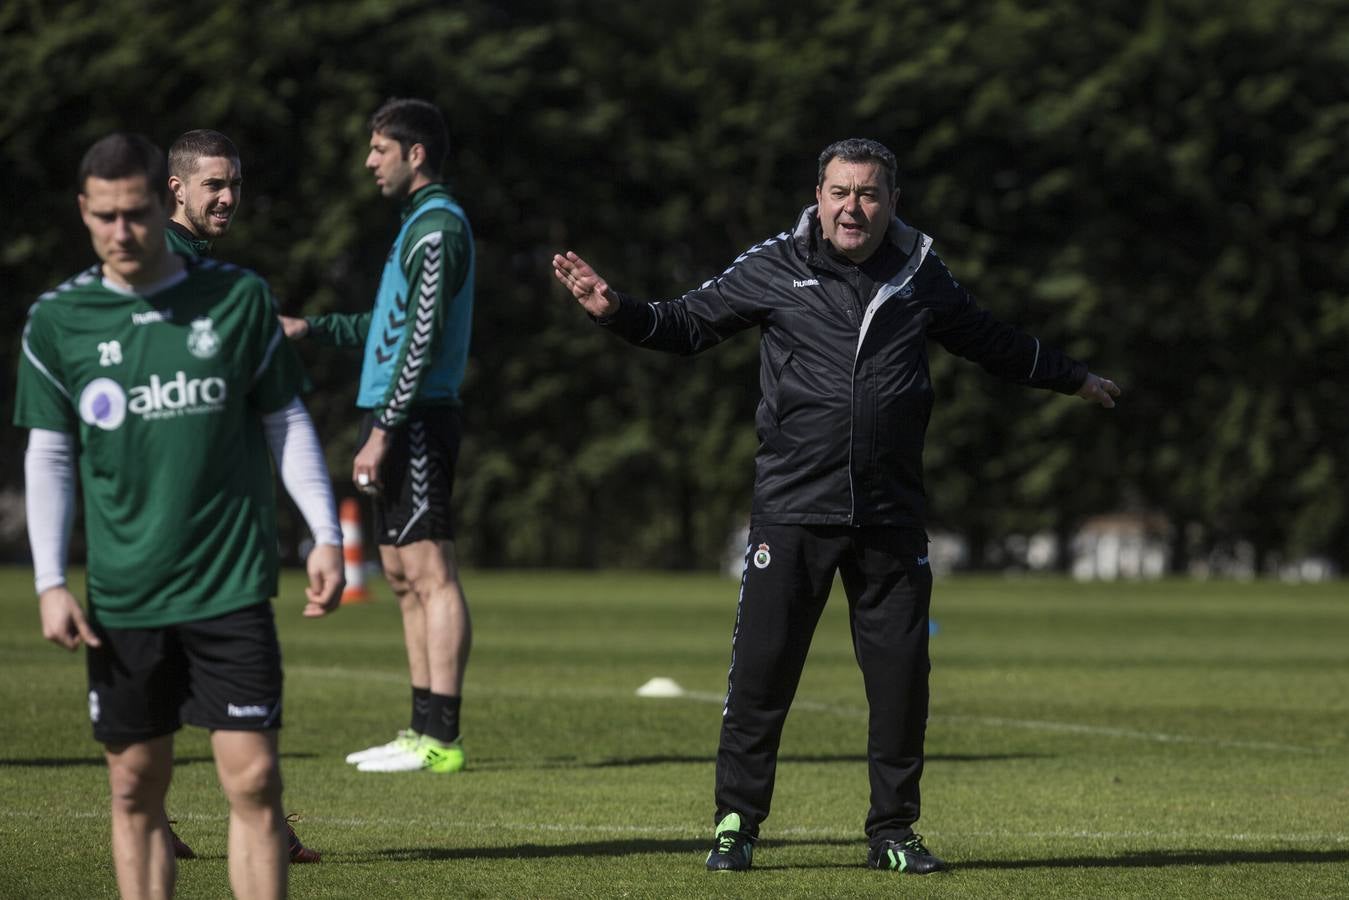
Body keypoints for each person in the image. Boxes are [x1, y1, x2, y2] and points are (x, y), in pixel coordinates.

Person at [552, 138, 1121, 875]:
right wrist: (615, 310)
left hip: (889, 516)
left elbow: (991, 341)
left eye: (869, 194)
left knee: (899, 686)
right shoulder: (773, 264)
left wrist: (1072, 378)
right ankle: (735, 825)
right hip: (791, 509)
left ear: (891, 201)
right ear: (817, 195)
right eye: (840, 192)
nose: (853, 207)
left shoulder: (920, 272)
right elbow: (687, 324)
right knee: (760, 678)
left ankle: (892, 832)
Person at [14, 132, 344, 900]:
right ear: (85, 213)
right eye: (106, 217)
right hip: (126, 592)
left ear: (157, 205)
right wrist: (47, 581)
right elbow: (50, 456)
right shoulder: (58, 322)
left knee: (255, 779)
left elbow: (286, 420)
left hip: (229, 582)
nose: (123, 231)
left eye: (135, 213)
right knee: (135, 788)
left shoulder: (235, 298)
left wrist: (324, 532)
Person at [280, 97, 475, 775]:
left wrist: (385, 429)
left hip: (415, 416)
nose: (368, 161)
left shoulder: (439, 227)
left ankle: (441, 740)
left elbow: (421, 339)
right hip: (394, 413)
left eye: (378, 149)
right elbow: (388, 326)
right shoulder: (415, 228)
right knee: (398, 573)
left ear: (413, 154)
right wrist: (314, 328)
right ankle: (418, 729)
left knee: (430, 571)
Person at [163, 127, 325, 864]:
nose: (227, 197)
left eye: (233, 184)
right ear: (177, 189)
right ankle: (247, 824)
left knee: (211, 680)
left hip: (224, 522)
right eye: (212, 185)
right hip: (184, 522)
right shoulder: (170, 270)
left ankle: (264, 823)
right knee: (185, 676)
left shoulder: (216, 275)